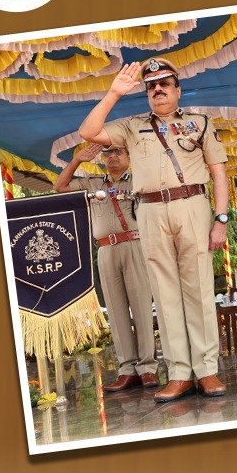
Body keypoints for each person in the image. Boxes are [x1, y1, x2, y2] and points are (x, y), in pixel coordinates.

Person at [78, 58, 229, 403]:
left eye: (164, 84)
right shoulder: (131, 127)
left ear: (178, 89)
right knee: (164, 292)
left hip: (192, 204)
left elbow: (219, 172)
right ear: (145, 93)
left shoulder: (200, 122)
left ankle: (206, 370)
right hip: (147, 209)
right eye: (151, 86)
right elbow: (88, 132)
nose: (158, 90)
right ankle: (179, 374)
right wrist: (114, 92)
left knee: (199, 289)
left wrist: (220, 219)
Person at [54, 142, 159, 391]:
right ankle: (127, 369)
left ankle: (147, 367)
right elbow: (60, 187)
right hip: (105, 250)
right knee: (116, 310)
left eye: (118, 152)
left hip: (134, 245)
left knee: (142, 307)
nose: (112, 157)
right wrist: (77, 160)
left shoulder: (139, 179)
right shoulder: (91, 183)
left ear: (128, 155)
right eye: (108, 153)